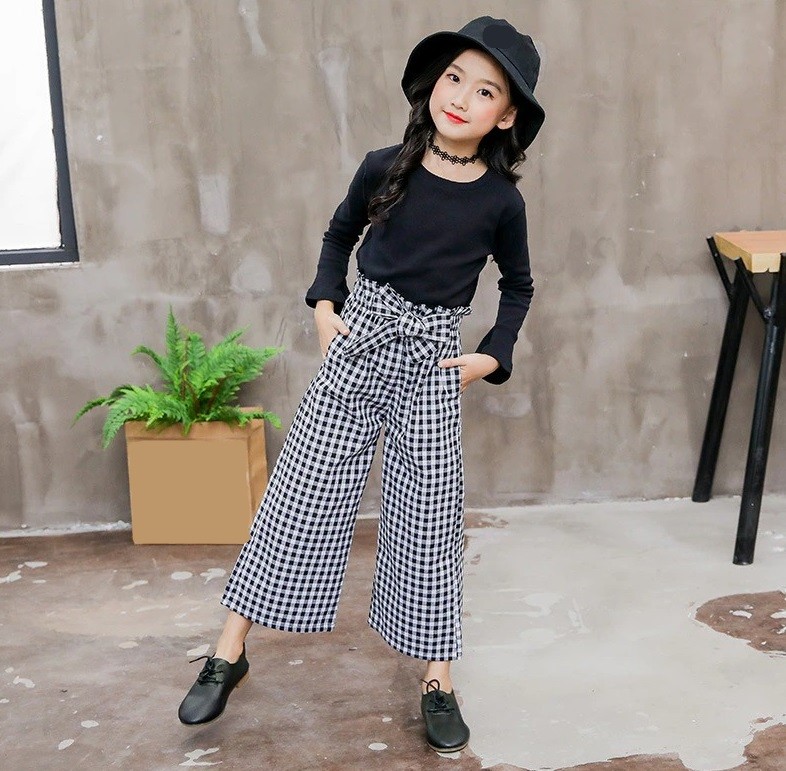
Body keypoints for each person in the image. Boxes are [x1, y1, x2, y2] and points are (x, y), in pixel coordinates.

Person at [177, 15, 545, 754]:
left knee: (430, 518)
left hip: (432, 362)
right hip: (360, 345)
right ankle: (228, 650)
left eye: (484, 91)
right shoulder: (384, 165)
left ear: (506, 116)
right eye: (454, 79)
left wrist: (492, 355)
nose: (461, 98)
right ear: (433, 84)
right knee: (300, 493)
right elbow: (338, 234)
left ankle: (437, 679)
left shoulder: (501, 202)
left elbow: (518, 286)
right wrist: (325, 305)